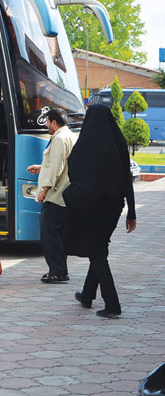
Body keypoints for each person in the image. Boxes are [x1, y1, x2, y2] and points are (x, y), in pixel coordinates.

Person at [63, 104, 137, 319]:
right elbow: (127, 179)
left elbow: (73, 172)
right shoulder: (118, 143)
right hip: (113, 205)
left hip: (86, 204)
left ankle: (112, 304)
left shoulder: (83, 145)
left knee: (97, 252)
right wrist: (132, 212)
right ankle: (87, 295)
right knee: (99, 247)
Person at [26, 108, 77, 284]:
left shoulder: (60, 139)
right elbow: (61, 163)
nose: (46, 125)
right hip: (64, 194)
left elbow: (57, 167)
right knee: (57, 236)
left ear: (54, 123)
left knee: (49, 235)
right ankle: (59, 270)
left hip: (55, 195)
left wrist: (44, 189)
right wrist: (41, 168)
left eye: (47, 122)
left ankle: (57, 272)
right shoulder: (69, 136)